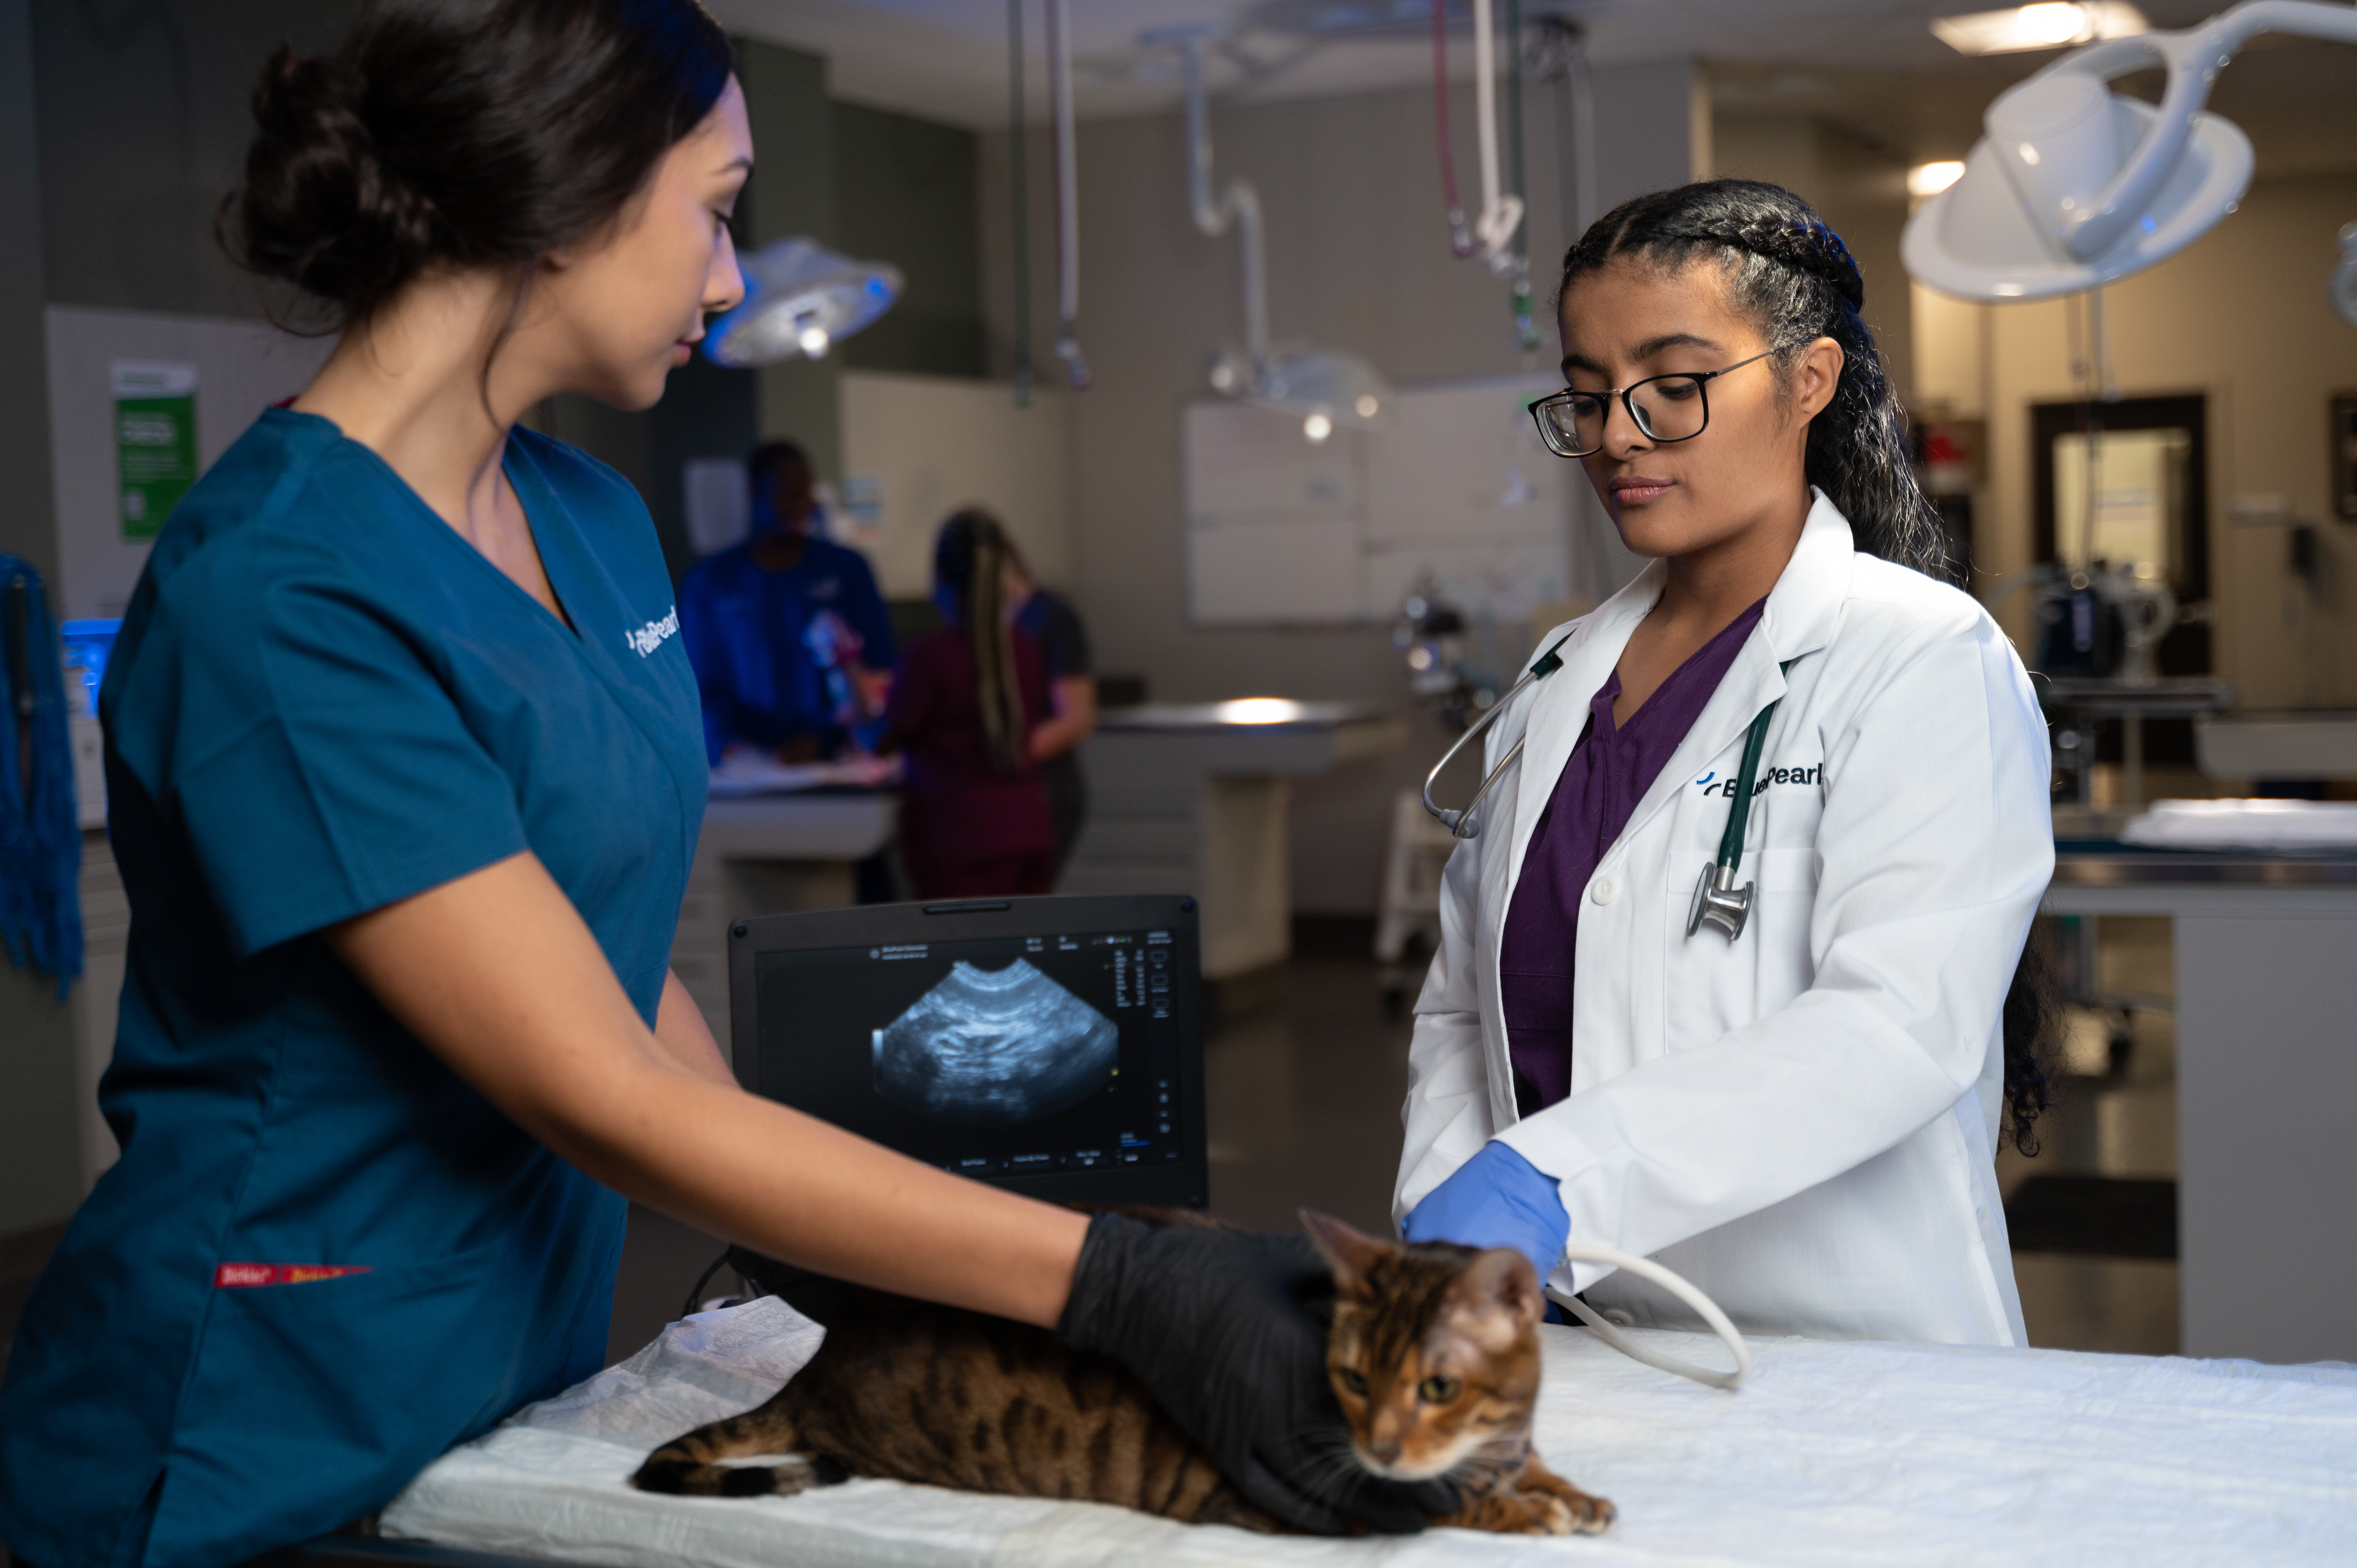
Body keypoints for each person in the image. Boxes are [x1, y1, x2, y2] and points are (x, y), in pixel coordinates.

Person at [0, 7, 1447, 1564]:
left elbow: (621, 987)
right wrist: (1119, 1283)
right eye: (719, 203)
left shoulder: (592, 516)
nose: (730, 278)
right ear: (566, 186)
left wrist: (847, 1244)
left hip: (517, 1363)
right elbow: (595, 1088)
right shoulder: (284, 590)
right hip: (263, 1409)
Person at [1396, 180, 2057, 1348]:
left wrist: (1554, 1181)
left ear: (1808, 381)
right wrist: (1447, 1229)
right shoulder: (1560, 677)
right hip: (1566, 1346)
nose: (1616, 437)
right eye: (1590, 398)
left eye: (1674, 388)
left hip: (1846, 1358)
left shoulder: (1921, 661)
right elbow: (1462, 1006)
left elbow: (1899, 1025)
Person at [679, 439, 896, 764]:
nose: (799, 505)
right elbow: (700, 687)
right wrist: (729, 747)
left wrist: (823, 741)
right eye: (785, 493)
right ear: (754, 492)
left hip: (837, 762)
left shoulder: (847, 570)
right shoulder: (710, 584)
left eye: (805, 493)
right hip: (745, 769)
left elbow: (878, 667)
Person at [883, 511, 1059, 899]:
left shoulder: (929, 658)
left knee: (961, 957)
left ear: (941, 579)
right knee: (1023, 954)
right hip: (1029, 831)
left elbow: (880, 740)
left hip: (957, 839)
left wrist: (843, 671)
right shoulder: (1026, 652)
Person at [1005, 544, 1097, 873]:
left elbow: (1076, 720)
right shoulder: (1002, 625)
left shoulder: (1052, 619)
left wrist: (999, 757)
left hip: (1049, 791)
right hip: (1015, 795)